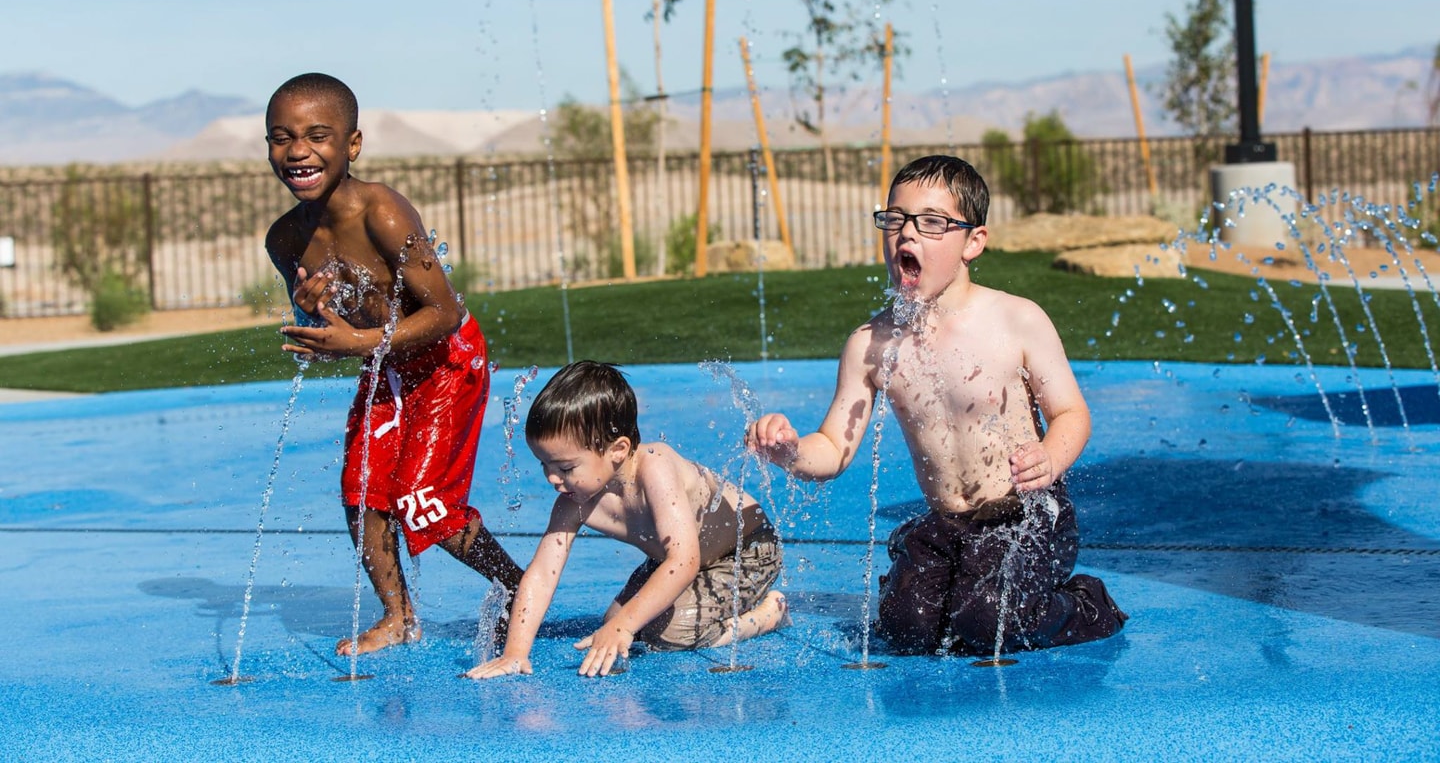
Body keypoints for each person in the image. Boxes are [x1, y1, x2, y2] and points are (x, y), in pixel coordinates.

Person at [745, 154, 1126, 657]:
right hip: (948, 522)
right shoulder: (872, 344)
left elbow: (1071, 414)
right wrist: (791, 451)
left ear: (973, 242)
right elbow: (834, 447)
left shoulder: (1017, 321)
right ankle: (941, 576)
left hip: (1026, 516)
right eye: (896, 219)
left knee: (990, 622)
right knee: (906, 629)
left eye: (931, 223)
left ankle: (1084, 603)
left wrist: (1051, 458)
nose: (908, 235)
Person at [263, 71, 522, 657]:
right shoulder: (285, 240)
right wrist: (314, 312)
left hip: (447, 360)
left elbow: (447, 313)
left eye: (317, 135)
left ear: (352, 145)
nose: (298, 151)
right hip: (388, 364)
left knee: (422, 499)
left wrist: (358, 344)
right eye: (281, 138)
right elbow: (337, 328)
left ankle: (519, 585)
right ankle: (398, 615)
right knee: (361, 492)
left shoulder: (379, 210)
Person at [467, 360, 788, 679]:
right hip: (675, 559)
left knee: (666, 633)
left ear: (618, 449)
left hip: (745, 550)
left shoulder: (655, 468)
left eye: (565, 468)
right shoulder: (572, 502)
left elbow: (684, 560)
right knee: (614, 623)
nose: (552, 479)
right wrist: (515, 653)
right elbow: (540, 575)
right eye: (544, 466)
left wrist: (625, 625)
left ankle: (767, 614)